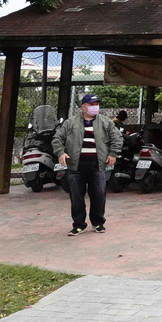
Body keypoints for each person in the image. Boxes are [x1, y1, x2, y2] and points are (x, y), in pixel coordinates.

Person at [52, 94, 122, 236]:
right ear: (83, 106)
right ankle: (78, 225)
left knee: (98, 195)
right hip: (75, 166)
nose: (95, 107)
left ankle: (98, 223)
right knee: (76, 197)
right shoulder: (71, 122)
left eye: (96, 104)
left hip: (97, 165)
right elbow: (57, 138)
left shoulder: (105, 122)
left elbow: (117, 138)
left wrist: (113, 153)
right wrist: (60, 153)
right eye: (91, 104)